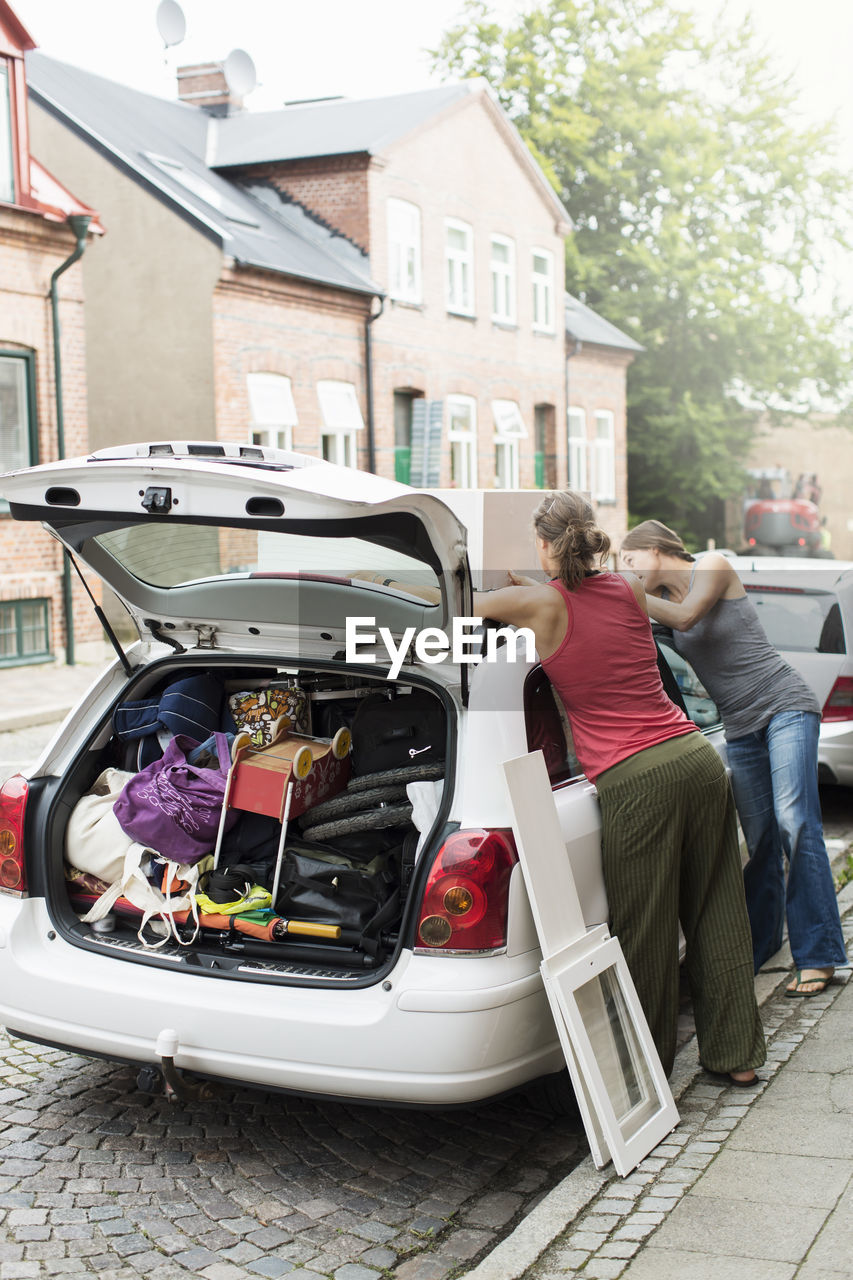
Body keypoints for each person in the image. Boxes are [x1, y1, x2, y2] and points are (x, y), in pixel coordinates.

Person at [473, 490, 765, 1085]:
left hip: (638, 780)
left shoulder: (538, 605)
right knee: (717, 906)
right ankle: (736, 1058)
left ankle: (644, 1080)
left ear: (548, 544)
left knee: (647, 927)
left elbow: (455, 603)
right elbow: (598, 603)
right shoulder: (629, 589)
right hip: (696, 759)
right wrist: (538, 581)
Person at [620, 519, 847, 996]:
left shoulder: (714, 566)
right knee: (762, 838)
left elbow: (686, 619)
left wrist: (625, 591)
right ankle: (760, 948)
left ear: (656, 548)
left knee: (795, 820)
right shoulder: (660, 607)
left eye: (630, 559)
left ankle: (820, 955)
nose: (628, 570)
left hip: (785, 705)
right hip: (741, 728)